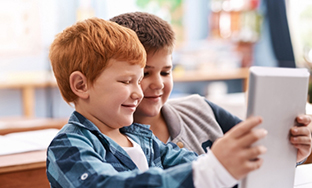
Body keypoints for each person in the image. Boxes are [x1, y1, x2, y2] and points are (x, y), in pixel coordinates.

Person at [46, 17, 269, 188]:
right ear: (81, 85)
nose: (138, 93)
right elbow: (104, 184)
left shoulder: (143, 139)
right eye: (126, 81)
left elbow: (194, 163)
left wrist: (245, 162)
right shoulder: (68, 146)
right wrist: (210, 171)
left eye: (138, 81)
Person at [110, 12, 312, 163]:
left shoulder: (201, 109)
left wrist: (292, 152)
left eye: (165, 72)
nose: (159, 84)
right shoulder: (111, 141)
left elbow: (261, 153)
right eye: (145, 74)